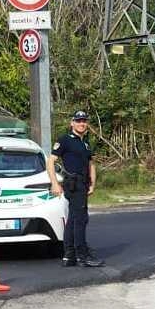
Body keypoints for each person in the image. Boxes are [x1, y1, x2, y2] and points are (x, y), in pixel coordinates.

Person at [47, 110, 104, 267]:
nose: (81, 123)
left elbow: (91, 164)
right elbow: (51, 161)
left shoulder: (85, 142)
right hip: (73, 183)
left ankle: (69, 255)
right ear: (72, 123)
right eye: (78, 121)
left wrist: (93, 183)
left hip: (83, 184)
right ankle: (82, 256)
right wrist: (54, 183)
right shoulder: (65, 140)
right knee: (80, 220)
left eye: (84, 121)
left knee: (73, 220)